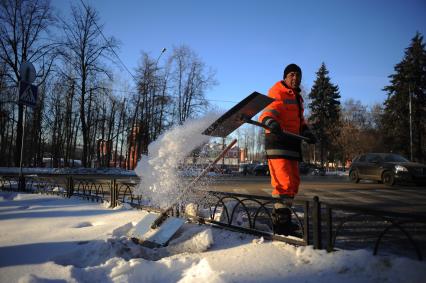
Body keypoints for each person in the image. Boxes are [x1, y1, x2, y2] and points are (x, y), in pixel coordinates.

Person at [259, 63, 316, 235]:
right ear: (285, 76)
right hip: (278, 143)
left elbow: (300, 121)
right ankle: (281, 226)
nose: (295, 78)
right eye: (291, 74)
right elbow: (267, 113)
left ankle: (285, 220)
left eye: (298, 75)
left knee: (293, 184)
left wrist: (307, 132)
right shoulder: (278, 91)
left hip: (292, 144)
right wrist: (271, 122)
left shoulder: (298, 97)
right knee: (283, 185)